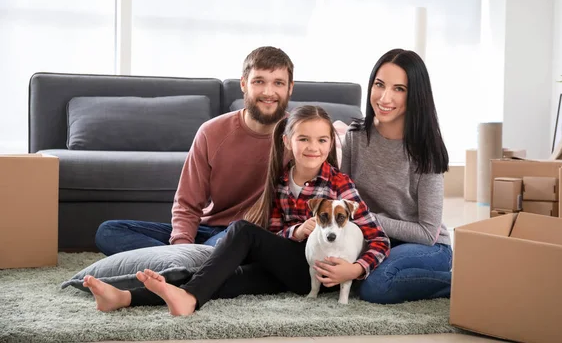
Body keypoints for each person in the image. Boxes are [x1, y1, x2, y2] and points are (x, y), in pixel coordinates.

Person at [82, 105, 390, 315]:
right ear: (287, 141)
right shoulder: (282, 180)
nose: (314, 147)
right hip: (284, 267)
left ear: (331, 144)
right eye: (304, 139)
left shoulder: (339, 185)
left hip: (315, 273)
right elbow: (274, 231)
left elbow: (379, 239)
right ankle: (125, 298)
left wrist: (355, 269)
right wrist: (295, 231)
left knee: (241, 230)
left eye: (322, 140)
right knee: (217, 277)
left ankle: (187, 300)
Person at [95, 46, 295, 255]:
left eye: (278, 83)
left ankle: (180, 265)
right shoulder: (212, 132)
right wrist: (182, 244)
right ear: (244, 84)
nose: (268, 92)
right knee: (109, 231)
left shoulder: (301, 137)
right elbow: (187, 202)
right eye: (259, 81)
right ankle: (188, 264)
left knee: (231, 240)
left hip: (250, 235)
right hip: (208, 231)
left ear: (290, 88)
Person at [341, 48, 452, 304]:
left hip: (427, 247)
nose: (385, 97)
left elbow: (427, 232)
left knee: (375, 287)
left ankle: (461, 283)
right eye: (379, 85)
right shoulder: (355, 135)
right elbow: (342, 196)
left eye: (399, 89)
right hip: (373, 238)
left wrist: (364, 218)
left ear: (415, 95)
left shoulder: (427, 150)